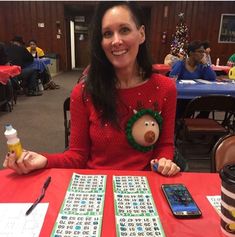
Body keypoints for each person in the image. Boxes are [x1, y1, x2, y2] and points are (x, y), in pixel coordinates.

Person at [3, 2, 180, 176]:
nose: (116, 41)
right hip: (96, 186)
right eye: (108, 33)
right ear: (101, 42)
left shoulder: (165, 88)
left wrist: (164, 161)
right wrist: (44, 159)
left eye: (124, 30)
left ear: (141, 34)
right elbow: (77, 156)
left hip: (143, 188)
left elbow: (165, 145)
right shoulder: (83, 93)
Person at [169, 40, 216, 118]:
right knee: (181, 108)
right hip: (182, 98)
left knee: (210, 102)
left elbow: (213, 78)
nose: (202, 55)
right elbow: (172, 78)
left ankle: (199, 120)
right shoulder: (181, 64)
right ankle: (180, 122)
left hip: (198, 97)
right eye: (200, 52)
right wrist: (179, 64)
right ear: (191, 53)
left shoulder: (202, 66)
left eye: (203, 52)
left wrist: (206, 64)